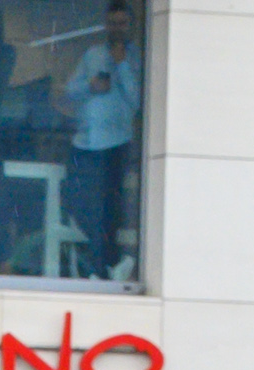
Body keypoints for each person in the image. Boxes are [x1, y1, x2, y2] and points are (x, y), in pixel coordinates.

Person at [64, 2, 142, 281]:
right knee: (76, 203)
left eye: (122, 23)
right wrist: (90, 86)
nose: (117, 29)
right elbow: (70, 91)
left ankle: (105, 269)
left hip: (115, 144)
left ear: (130, 26)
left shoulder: (138, 59)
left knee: (110, 211)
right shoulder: (92, 54)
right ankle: (94, 263)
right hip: (84, 142)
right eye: (112, 23)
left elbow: (138, 100)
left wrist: (121, 66)